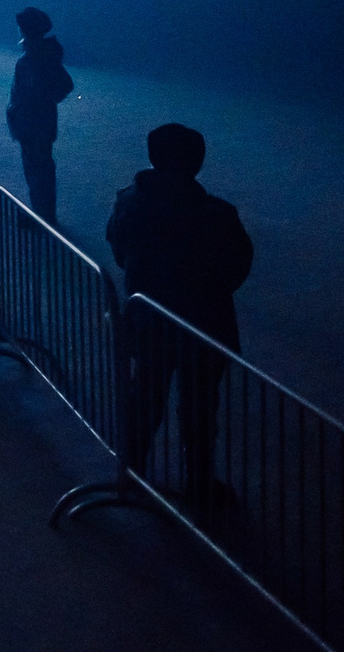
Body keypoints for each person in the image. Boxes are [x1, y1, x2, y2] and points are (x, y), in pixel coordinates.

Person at [106, 124, 254, 496]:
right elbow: (237, 266)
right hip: (204, 324)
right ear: (197, 163)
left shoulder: (129, 202)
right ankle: (199, 482)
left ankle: (132, 469)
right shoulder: (218, 215)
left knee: (145, 395)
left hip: (148, 318)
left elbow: (119, 250)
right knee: (200, 406)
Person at [7, 7, 74, 223]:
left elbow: (62, 85)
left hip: (32, 122)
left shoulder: (33, 59)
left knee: (37, 168)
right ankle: (43, 211)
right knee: (40, 166)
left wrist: (34, 102)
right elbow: (64, 86)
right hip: (39, 120)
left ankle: (42, 215)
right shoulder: (42, 55)